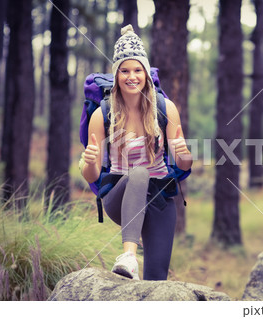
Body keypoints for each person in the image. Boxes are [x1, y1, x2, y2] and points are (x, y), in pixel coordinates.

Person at [81, 25, 192, 280]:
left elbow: (184, 165)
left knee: (156, 279)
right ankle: (128, 256)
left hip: (160, 197)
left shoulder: (166, 109)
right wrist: (89, 161)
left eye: (137, 70)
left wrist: (183, 154)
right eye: (125, 70)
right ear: (117, 75)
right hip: (119, 196)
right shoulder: (102, 114)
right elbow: (92, 174)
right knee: (139, 172)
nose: (132, 76)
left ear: (146, 73)